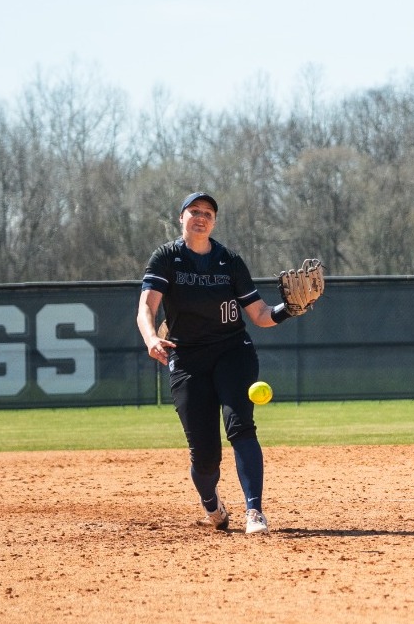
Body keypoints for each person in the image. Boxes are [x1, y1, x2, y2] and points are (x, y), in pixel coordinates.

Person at [136, 191, 319, 534]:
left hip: (232, 351)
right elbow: (147, 307)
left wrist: (288, 309)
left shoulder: (230, 261)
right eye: (194, 211)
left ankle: (255, 511)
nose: (201, 216)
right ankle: (212, 505)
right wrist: (150, 338)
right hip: (187, 358)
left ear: (214, 221)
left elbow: (260, 315)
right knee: (205, 455)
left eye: (208, 212)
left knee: (239, 425)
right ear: (182, 218)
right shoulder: (166, 258)